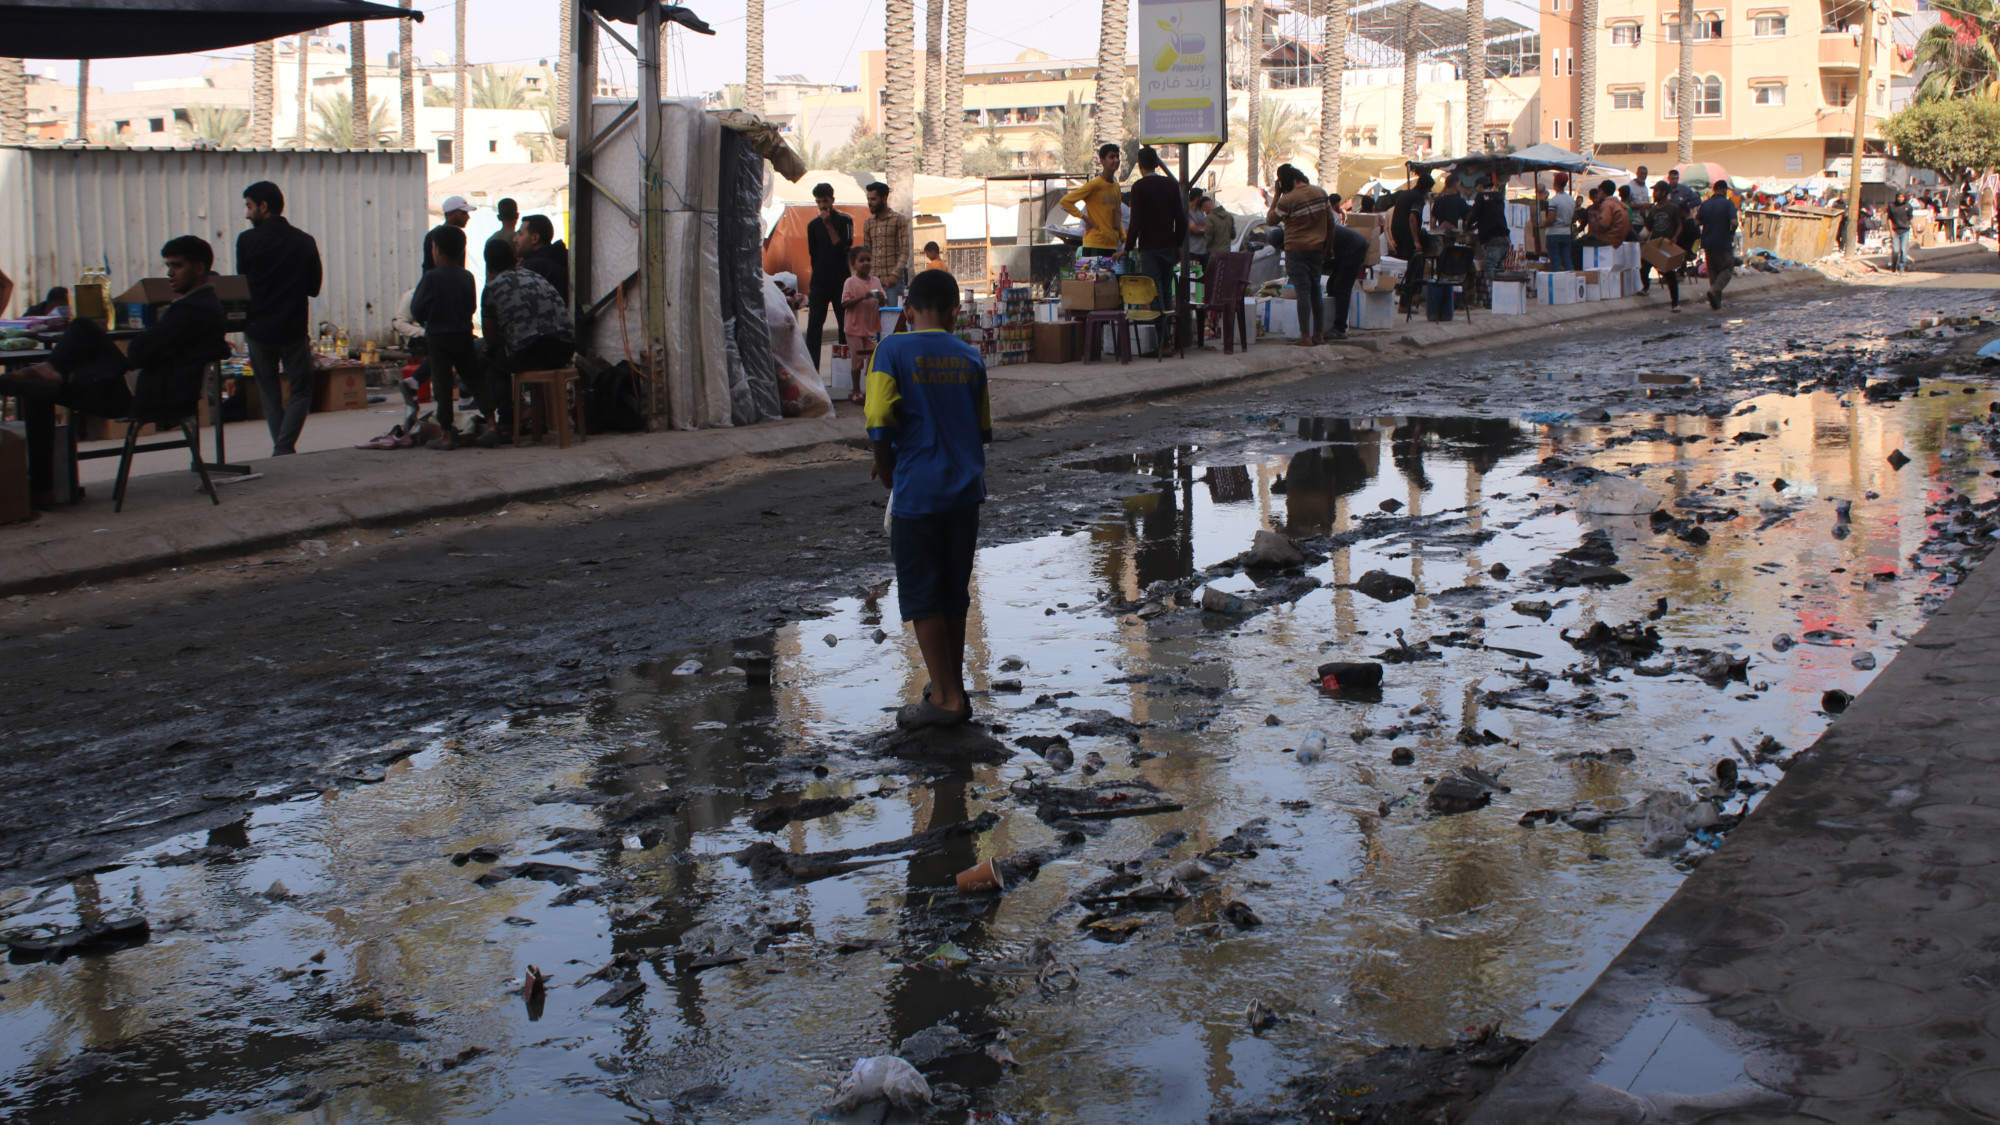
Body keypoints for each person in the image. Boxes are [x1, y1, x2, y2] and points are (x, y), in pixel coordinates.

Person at [0, 237, 227, 506]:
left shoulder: (190, 310)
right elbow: (149, 348)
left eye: (176, 266)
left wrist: (150, 338)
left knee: (38, 390)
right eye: (168, 266)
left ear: (199, 268)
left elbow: (139, 351)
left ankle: (42, 489)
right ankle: (50, 371)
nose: (169, 274)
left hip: (143, 394)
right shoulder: (203, 305)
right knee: (83, 329)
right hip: (147, 383)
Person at [863, 267, 992, 731]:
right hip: (965, 492)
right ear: (957, 312)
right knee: (953, 592)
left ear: (908, 311)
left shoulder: (891, 350)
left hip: (918, 491)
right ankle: (952, 687)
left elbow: (878, 418)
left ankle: (945, 699)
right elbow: (981, 430)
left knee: (921, 594)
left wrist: (887, 467)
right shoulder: (971, 357)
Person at [235, 181, 324, 457]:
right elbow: (313, 288)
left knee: (269, 392)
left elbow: (242, 286)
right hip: (293, 329)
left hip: (258, 330)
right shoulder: (304, 241)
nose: (247, 215)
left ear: (263, 206)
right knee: (301, 389)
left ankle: (282, 448)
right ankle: (284, 447)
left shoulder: (246, 241)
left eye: (249, 207)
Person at [476, 238, 573, 446]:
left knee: (488, 352)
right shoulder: (535, 276)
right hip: (564, 350)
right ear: (514, 259)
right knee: (507, 349)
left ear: (488, 264)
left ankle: (505, 423)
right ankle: (527, 417)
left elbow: (491, 337)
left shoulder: (492, 289)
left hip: (532, 354)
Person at [410, 225, 477, 450]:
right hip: (463, 333)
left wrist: (427, 322)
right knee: (474, 378)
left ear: (436, 250)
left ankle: (446, 435)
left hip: (438, 335)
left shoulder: (432, 277)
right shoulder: (467, 276)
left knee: (442, 384)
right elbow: (472, 306)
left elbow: (417, 307)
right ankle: (492, 424)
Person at [1266, 163, 1330, 346]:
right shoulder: (1321, 193)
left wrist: (1277, 194)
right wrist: (1329, 247)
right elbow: (1330, 224)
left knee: (1303, 291)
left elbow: (1270, 219)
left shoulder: (1288, 200)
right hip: (1317, 248)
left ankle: (1305, 336)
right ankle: (1319, 334)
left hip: (1296, 249)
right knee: (1316, 290)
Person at [1123, 146, 1188, 320]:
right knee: (1167, 290)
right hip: (1168, 246)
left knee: (1154, 292)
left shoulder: (1139, 187)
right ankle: (1169, 334)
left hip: (1149, 248)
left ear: (1139, 165)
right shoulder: (1171, 185)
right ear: (1157, 164)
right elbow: (1181, 220)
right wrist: (1179, 245)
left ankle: (1162, 340)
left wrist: (1127, 248)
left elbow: (1135, 222)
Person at [804, 182, 854, 364]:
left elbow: (844, 248)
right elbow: (813, 254)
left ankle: (844, 368)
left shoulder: (845, 220)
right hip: (820, 282)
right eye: (819, 202)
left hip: (841, 281)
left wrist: (829, 225)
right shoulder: (813, 226)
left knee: (844, 324)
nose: (822, 205)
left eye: (825, 201)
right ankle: (813, 369)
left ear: (832, 200)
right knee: (814, 326)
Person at [840, 245, 886, 407]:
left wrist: (880, 298)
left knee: (873, 359)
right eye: (861, 260)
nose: (866, 263)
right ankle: (856, 389)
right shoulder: (850, 282)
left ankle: (870, 389)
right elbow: (845, 303)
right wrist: (862, 297)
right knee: (857, 359)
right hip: (854, 328)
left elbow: (883, 301)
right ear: (853, 263)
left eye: (868, 259)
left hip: (871, 328)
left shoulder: (876, 281)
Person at [1060, 144, 1126, 257]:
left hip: (1112, 246)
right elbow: (1065, 201)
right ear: (1102, 160)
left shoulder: (1116, 186)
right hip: (1094, 245)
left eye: (1117, 157)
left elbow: (1116, 215)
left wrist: (1124, 238)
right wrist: (1085, 219)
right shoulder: (1094, 185)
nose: (1116, 160)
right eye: (1111, 157)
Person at [863, 181, 910, 306]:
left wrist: (895, 274)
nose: (869, 203)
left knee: (893, 319)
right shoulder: (868, 223)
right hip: (873, 282)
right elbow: (867, 253)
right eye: (868, 199)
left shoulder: (899, 220)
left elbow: (904, 251)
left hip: (893, 283)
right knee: (874, 318)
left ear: (884, 198)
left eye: (873, 199)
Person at [1324, 221, 1370, 340]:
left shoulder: (1313, 233)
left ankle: (1339, 328)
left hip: (1354, 248)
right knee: (1332, 286)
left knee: (1341, 287)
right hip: (1345, 249)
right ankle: (1331, 322)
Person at [1641, 181, 1683, 310]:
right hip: (1655, 243)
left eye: (1656, 191)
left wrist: (1675, 237)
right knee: (1644, 267)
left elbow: (1680, 224)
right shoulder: (1654, 209)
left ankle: (1675, 303)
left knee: (1669, 274)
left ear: (1664, 192)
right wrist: (1644, 216)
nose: (1654, 193)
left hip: (1666, 244)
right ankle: (1646, 287)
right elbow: (1649, 226)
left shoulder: (1673, 208)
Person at [1697, 179, 1738, 310]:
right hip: (1723, 242)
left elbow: (1697, 223)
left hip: (1708, 242)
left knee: (1713, 272)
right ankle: (1713, 290)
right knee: (1727, 269)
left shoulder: (1706, 204)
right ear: (1724, 190)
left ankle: (1716, 303)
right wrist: (1731, 232)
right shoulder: (1728, 204)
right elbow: (1734, 222)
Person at [514, 215, 568, 302]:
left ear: (535, 238)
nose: (515, 239)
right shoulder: (561, 257)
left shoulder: (531, 266)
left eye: (520, 234)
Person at [422, 194, 474, 279]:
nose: (468, 217)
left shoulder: (459, 235)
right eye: (463, 213)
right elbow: (428, 266)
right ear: (450, 214)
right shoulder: (434, 235)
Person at [1470, 175, 1511, 276]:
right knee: (1499, 268)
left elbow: (1475, 215)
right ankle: (1499, 288)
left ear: (1480, 186)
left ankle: (1491, 289)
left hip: (1492, 236)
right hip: (1505, 236)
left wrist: (1467, 225)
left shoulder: (1481, 197)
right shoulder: (1499, 197)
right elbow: (1491, 215)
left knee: (1490, 266)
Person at [1581, 179, 1630, 247]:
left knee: (1577, 244)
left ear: (1602, 191)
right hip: (1618, 239)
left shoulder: (1607, 204)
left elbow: (1604, 224)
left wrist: (1594, 226)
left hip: (1607, 239)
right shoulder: (1620, 204)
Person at [1544, 174, 1576, 270]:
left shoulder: (1554, 200)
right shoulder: (1571, 200)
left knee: (1555, 261)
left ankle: (1557, 282)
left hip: (1554, 234)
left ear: (1555, 184)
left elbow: (1551, 220)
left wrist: (1543, 223)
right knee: (1567, 259)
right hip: (1566, 233)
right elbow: (1573, 217)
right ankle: (1571, 280)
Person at [486, 196, 519, 286]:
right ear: (517, 215)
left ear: (499, 217)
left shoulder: (491, 240)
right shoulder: (519, 240)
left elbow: (489, 273)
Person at [1887, 191, 1914, 272]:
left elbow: (1910, 219)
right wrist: (1891, 230)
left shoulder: (1908, 206)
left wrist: (1915, 229)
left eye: (1902, 197)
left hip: (1905, 230)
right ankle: (1894, 265)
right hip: (1895, 230)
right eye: (1899, 197)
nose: (1900, 199)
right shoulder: (1892, 206)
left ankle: (1901, 266)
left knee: (1903, 249)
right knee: (1896, 250)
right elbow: (1889, 219)